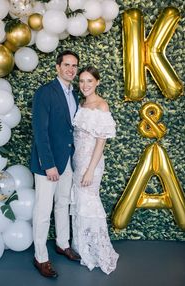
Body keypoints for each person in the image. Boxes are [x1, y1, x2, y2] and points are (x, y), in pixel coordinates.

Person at [30, 50, 81, 278]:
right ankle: (40, 257)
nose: (71, 69)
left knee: (63, 204)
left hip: (68, 161)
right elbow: (40, 131)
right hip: (48, 163)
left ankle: (62, 243)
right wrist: (48, 164)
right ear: (57, 67)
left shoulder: (75, 94)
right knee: (43, 210)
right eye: (67, 65)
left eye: (74, 66)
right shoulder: (45, 92)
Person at [70, 66, 119, 275]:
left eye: (89, 81)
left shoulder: (102, 106)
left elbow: (101, 142)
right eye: (81, 81)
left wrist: (90, 170)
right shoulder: (80, 104)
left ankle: (97, 250)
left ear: (97, 82)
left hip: (92, 164)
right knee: (79, 202)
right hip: (76, 161)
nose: (85, 85)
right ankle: (82, 247)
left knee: (90, 202)